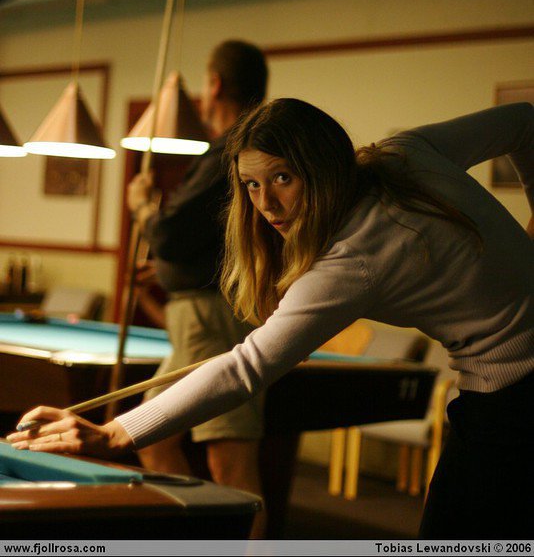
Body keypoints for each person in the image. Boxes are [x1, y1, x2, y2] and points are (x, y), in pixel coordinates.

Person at [9, 99, 534, 538]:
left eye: (282, 177)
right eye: (252, 184)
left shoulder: (353, 259)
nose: (267, 204)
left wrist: (114, 435)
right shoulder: (404, 154)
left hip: (513, 393)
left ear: (322, 167)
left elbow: (246, 367)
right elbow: (524, 122)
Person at [124, 40, 268, 534]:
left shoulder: (233, 148)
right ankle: (200, 539)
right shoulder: (234, 149)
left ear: (215, 84)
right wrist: (169, 269)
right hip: (199, 317)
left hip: (213, 318)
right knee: (150, 437)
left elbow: (168, 235)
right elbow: (193, 240)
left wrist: (144, 207)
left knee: (231, 462)